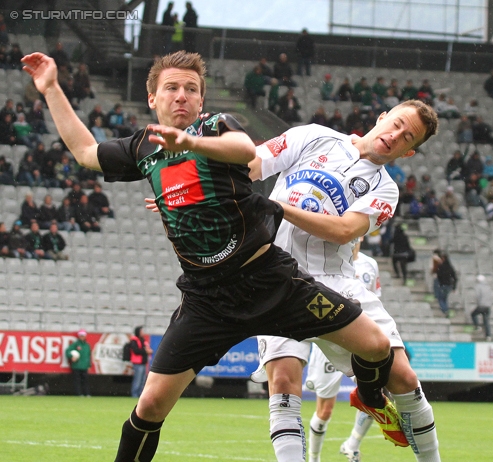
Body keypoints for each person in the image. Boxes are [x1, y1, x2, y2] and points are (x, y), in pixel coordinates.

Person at [24, 50, 397, 462]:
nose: (182, 96)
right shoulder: (143, 147)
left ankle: (369, 397)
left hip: (271, 280)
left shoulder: (217, 127)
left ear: (201, 101)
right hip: (207, 301)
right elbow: (85, 153)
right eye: (172, 88)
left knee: (377, 346)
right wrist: (52, 88)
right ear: (153, 99)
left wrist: (193, 142)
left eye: (191, 89)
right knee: (148, 408)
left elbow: (242, 150)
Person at [247, 99, 441, 461]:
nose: (395, 135)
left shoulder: (386, 190)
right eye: (396, 123)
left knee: (404, 379)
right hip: (274, 276)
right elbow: (252, 164)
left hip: (336, 282)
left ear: (409, 152)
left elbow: (342, 232)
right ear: (382, 117)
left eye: (406, 136)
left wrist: (278, 209)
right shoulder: (313, 136)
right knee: (284, 382)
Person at [306, 237, 379, 462]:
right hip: (331, 341)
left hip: (361, 341)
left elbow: (375, 299)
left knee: (376, 396)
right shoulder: (328, 263)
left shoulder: (370, 265)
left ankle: (352, 445)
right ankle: (314, 457)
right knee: (324, 411)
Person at [65, 330, 92, 396]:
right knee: (77, 381)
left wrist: (89, 365)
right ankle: (78, 394)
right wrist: (71, 356)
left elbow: (89, 355)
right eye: (81, 335)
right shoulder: (76, 344)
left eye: (83, 335)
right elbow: (68, 351)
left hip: (84, 366)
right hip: (76, 366)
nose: (82, 337)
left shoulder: (87, 345)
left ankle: (87, 393)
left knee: (85, 381)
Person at [431, 249, 457, 318]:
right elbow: (455, 278)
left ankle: (445, 310)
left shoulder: (441, 267)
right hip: (449, 286)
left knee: (441, 299)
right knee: (444, 299)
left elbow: (438, 276)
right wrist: (454, 287)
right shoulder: (450, 267)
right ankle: (446, 310)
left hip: (443, 285)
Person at [130, 326, 154, 398]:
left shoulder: (142, 340)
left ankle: (140, 395)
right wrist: (145, 351)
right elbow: (136, 351)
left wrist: (148, 351)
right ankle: (135, 394)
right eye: (141, 331)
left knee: (142, 380)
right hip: (137, 363)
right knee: (137, 380)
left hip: (143, 363)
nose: (142, 333)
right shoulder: (134, 341)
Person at [472, 275, 493, 340]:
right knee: (486, 321)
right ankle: (488, 335)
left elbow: (478, 296)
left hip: (481, 305)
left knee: (473, 314)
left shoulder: (478, 286)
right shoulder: (488, 287)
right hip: (488, 306)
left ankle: (477, 326)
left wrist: (479, 302)